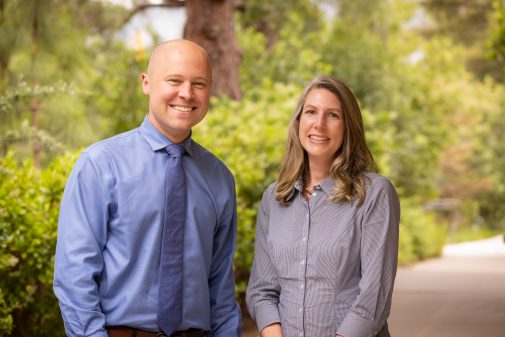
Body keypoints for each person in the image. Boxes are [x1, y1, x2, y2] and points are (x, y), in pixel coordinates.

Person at [53, 39, 242, 337]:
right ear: (146, 83)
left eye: (199, 84)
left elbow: (220, 285)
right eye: (175, 80)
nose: (186, 93)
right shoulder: (101, 165)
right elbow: (75, 275)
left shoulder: (219, 178)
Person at [246, 75, 400, 337]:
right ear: (298, 122)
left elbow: (374, 298)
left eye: (333, 115)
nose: (319, 124)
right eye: (311, 112)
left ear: (348, 126)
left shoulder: (374, 194)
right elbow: (262, 290)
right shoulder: (274, 198)